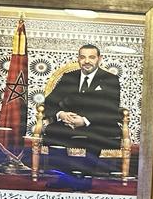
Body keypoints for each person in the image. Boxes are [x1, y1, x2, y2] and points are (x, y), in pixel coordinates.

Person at [42, 43, 121, 185]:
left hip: (98, 123)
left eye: (91, 57)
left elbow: (111, 109)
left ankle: (85, 179)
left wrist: (85, 120)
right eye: (83, 57)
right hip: (69, 122)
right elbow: (49, 102)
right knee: (53, 130)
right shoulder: (69, 77)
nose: (87, 61)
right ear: (78, 59)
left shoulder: (110, 79)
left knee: (95, 134)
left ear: (99, 59)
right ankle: (65, 177)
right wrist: (61, 114)